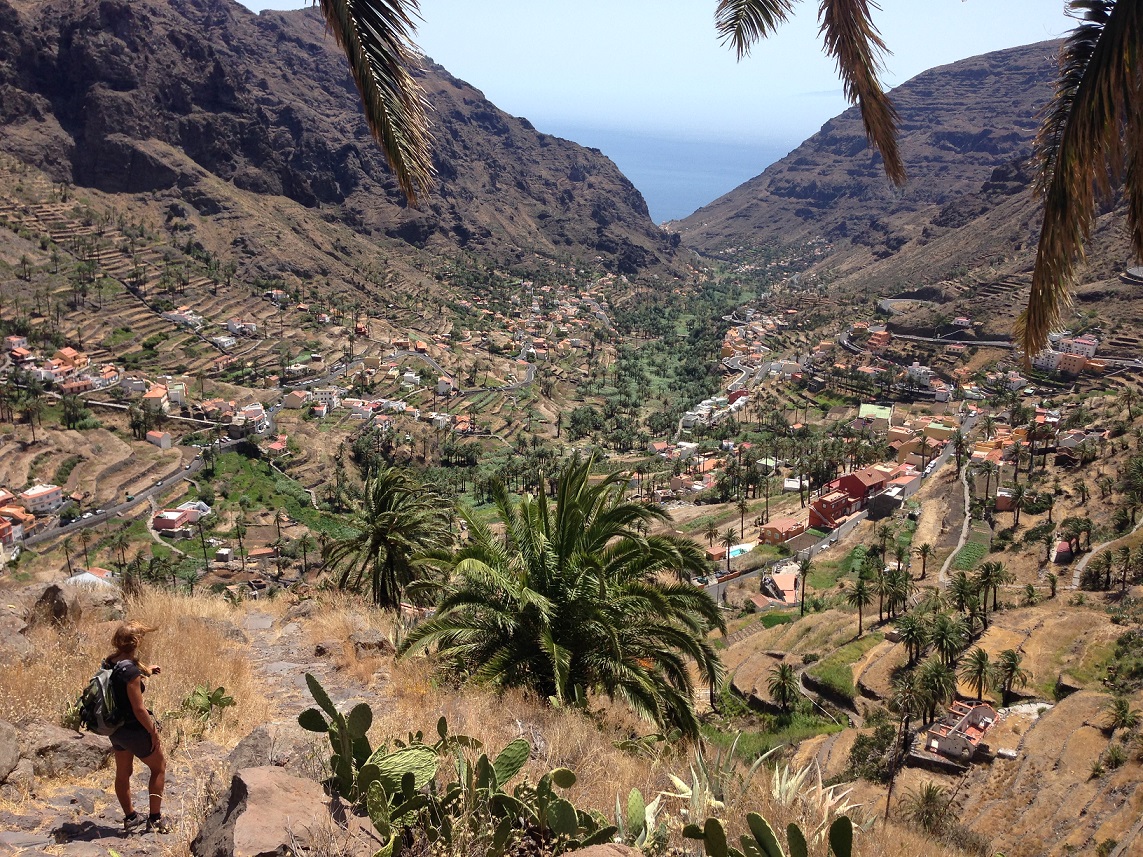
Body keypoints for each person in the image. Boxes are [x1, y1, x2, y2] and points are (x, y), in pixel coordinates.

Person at [104, 621, 169, 834]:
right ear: (136, 641)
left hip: (116, 729)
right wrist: (153, 732)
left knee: (123, 772)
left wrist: (147, 670)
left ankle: (131, 817)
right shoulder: (130, 671)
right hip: (134, 728)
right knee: (158, 767)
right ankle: (155, 819)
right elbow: (139, 709)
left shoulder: (110, 661)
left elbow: (121, 680)